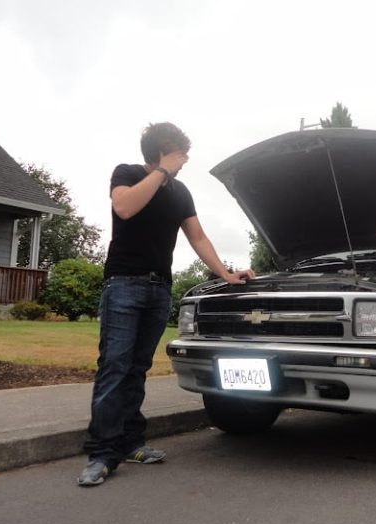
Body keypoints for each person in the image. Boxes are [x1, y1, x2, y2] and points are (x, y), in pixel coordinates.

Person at [78, 122, 254, 486]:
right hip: (123, 284)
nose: (185, 160)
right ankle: (102, 453)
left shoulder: (181, 192)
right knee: (114, 367)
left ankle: (130, 443)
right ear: (162, 149)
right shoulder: (126, 173)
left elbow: (199, 237)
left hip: (160, 290)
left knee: (137, 368)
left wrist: (226, 273)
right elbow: (124, 208)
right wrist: (161, 171)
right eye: (180, 153)